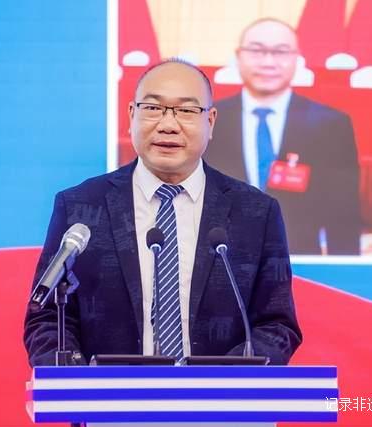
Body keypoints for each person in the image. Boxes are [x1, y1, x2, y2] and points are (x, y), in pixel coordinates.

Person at [24, 59, 301, 367]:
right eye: (153, 108)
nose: (168, 124)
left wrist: (220, 379)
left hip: (221, 396)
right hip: (109, 395)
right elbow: (47, 319)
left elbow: (277, 325)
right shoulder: (81, 206)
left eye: (186, 110)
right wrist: (79, 380)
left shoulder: (256, 213)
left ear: (210, 121)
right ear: (131, 115)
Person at [204, 18, 361, 255]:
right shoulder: (209, 119)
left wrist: (344, 268)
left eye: (280, 52)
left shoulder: (331, 124)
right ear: (238, 57)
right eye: (256, 50)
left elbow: (343, 213)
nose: (268, 62)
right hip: (222, 259)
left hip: (299, 260)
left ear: (297, 59)